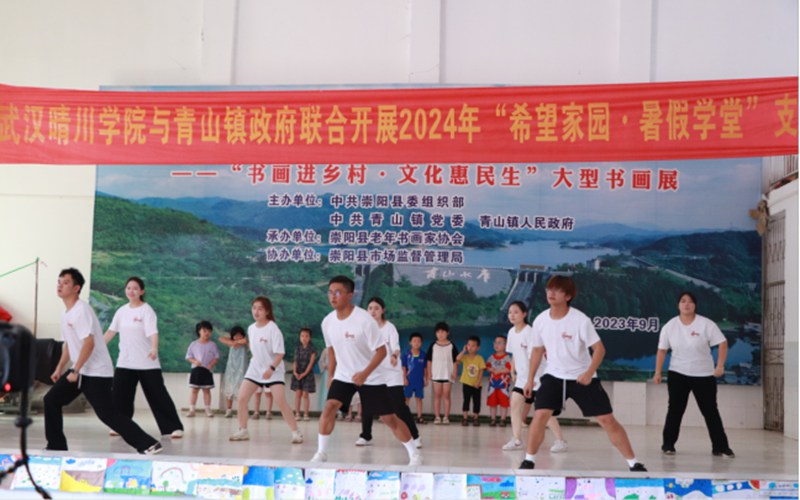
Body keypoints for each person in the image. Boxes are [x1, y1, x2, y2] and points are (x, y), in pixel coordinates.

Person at [519, 276, 646, 472]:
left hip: (581, 377)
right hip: (553, 376)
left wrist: (589, 373)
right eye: (549, 289)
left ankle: (634, 462)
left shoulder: (580, 320)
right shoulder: (541, 320)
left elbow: (599, 349)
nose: (551, 293)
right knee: (540, 414)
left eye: (557, 290)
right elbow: (537, 350)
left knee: (606, 419)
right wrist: (530, 380)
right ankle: (529, 460)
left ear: (568, 296)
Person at [44, 268, 162, 454]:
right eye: (59, 281)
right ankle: (56, 446)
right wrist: (60, 368)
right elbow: (68, 345)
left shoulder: (81, 311)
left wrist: (75, 370)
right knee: (51, 400)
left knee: (107, 414)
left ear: (76, 288)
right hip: (81, 370)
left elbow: (88, 344)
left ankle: (148, 444)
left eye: (65, 282)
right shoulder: (66, 313)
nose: (60, 285)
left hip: (96, 371)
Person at [310, 275, 422, 466]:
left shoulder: (364, 320)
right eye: (330, 292)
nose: (333, 296)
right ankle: (321, 452)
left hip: (371, 376)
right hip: (344, 375)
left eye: (338, 292)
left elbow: (382, 351)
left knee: (389, 418)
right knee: (329, 407)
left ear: (350, 295)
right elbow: (331, 350)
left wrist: (365, 374)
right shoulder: (327, 322)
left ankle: (414, 453)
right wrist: (331, 375)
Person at [653, 291, 734, 458]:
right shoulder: (670, 326)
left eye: (690, 301)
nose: (686, 304)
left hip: (704, 374)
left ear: (695, 305)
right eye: (683, 301)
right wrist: (658, 372)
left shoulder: (706, 324)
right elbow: (662, 350)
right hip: (678, 373)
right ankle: (668, 445)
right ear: (678, 305)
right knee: (675, 410)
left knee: (710, 411)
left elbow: (722, 343)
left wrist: (720, 365)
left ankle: (721, 447)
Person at [103, 276, 184, 439]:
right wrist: (97, 348)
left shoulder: (147, 310)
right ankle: (120, 426)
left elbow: (153, 332)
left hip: (147, 362)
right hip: (125, 361)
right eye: (128, 288)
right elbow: (111, 332)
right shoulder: (121, 311)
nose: (131, 291)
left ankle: (173, 427)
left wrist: (154, 348)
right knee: (120, 396)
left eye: (135, 288)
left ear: (141, 291)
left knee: (158, 396)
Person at [229, 296, 303, 443]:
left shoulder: (273, 329)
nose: (256, 311)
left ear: (267, 311)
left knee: (280, 401)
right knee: (242, 398)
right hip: (255, 368)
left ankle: (296, 432)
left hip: (274, 369)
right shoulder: (251, 328)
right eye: (254, 308)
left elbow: (280, 353)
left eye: (260, 309)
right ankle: (243, 430)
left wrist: (271, 368)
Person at [356, 297, 421, 449]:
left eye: (376, 308)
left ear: (382, 310)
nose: (373, 311)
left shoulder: (389, 328)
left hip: (391, 372)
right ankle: (366, 435)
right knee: (367, 404)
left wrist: (394, 356)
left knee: (399, 406)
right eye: (370, 308)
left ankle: (415, 436)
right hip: (372, 372)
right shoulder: (364, 329)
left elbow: (396, 347)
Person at [503, 301, 567, 452]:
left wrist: (531, 379)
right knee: (515, 405)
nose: (512, 315)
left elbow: (535, 357)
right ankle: (517, 440)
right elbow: (514, 354)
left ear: (524, 314)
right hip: (522, 378)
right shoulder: (511, 332)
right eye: (510, 312)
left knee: (544, 411)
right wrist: (513, 371)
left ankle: (560, 441)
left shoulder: (530, 333)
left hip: (538, 377)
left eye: (516, 312)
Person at [185, 320, 220, 418]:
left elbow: (216, 357)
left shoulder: (212, 345)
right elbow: (188, 357)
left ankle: (208, 410)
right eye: (204, 331)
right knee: (194, 390)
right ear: (199, 331)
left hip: (207, 370)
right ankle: (192, 410)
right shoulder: (193, 344)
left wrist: (211, 365)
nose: (207, 333)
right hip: (196, 370)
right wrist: (194, 361)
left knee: (206, 390)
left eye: (209, 331)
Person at [425, 322, 458, 425]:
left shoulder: (451, 345)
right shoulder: (433, 345)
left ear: (447, 333)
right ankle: (437, 417)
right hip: (436, 374)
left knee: (446, 396)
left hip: (448, 375)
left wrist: (454, 372)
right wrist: (429, 372)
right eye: (438, 332)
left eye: (443, 332)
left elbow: (456, 361)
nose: (440, 334)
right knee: (437, 396)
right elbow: (429, 360)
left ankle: (446, 417)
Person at [219, 325, 248, 418]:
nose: (238, 337)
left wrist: (235, 341)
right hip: (231, 371)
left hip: (241, 371)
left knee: (242, 391)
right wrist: (232, 342)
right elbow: (221, 338)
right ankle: (229, 410)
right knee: (229, 390)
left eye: (240, 335)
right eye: (235, 335)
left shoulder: (244, 343)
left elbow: (245, 341)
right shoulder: (230, 343)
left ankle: (241, 410)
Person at [456, 336, 485, 426]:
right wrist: (463, 350)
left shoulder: (479, 358)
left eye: (473, 346)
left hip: (476, 384)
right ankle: (465, 418)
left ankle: (476, 418)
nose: (470, 347)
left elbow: (481, 371)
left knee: (477, 402)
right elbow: (457, 359)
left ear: (477, 348)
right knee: (466, 400)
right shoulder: (465, 357)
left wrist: (478, 382)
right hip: (466, 383)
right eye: (468, 345)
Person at [291, 327, 317, 421]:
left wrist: (304, 374)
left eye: (306, 336)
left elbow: (311, 363)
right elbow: (295, 361)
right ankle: (297, 413)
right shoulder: (297, 348)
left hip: (307, 374)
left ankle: (306, 414)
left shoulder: (312, 349)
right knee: (298, 394)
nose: (304, 338)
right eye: (302, 336)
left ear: (310, 337)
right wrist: (294, 372)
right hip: (297, 374)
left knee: (305, 394)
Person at [486, 335, 512, 427]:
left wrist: (500, 371)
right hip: (493, 384)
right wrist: (491, 369)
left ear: (505, 345)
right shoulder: (491, 357)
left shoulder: (507, 358)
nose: (497, 345)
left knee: (504, 402)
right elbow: (487, 367)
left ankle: (503, 419)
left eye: (499, 343)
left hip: (503, 385)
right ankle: (493, 419)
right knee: (492, 402)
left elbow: (509, 369)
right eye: (495, 343)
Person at [402, 332, 427, 424]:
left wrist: (425, 378)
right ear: (410, 342)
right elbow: (404, 368)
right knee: (406, 398)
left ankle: (419, 416)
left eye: (418, 341)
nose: (416, 343)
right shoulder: (406, 354)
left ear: (421, 343)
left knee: (419, 398)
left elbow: (425, 368)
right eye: (414, 341)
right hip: (409, 380)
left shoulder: (423, 354)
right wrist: (404, 378)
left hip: (419, 381)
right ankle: (405, 416)